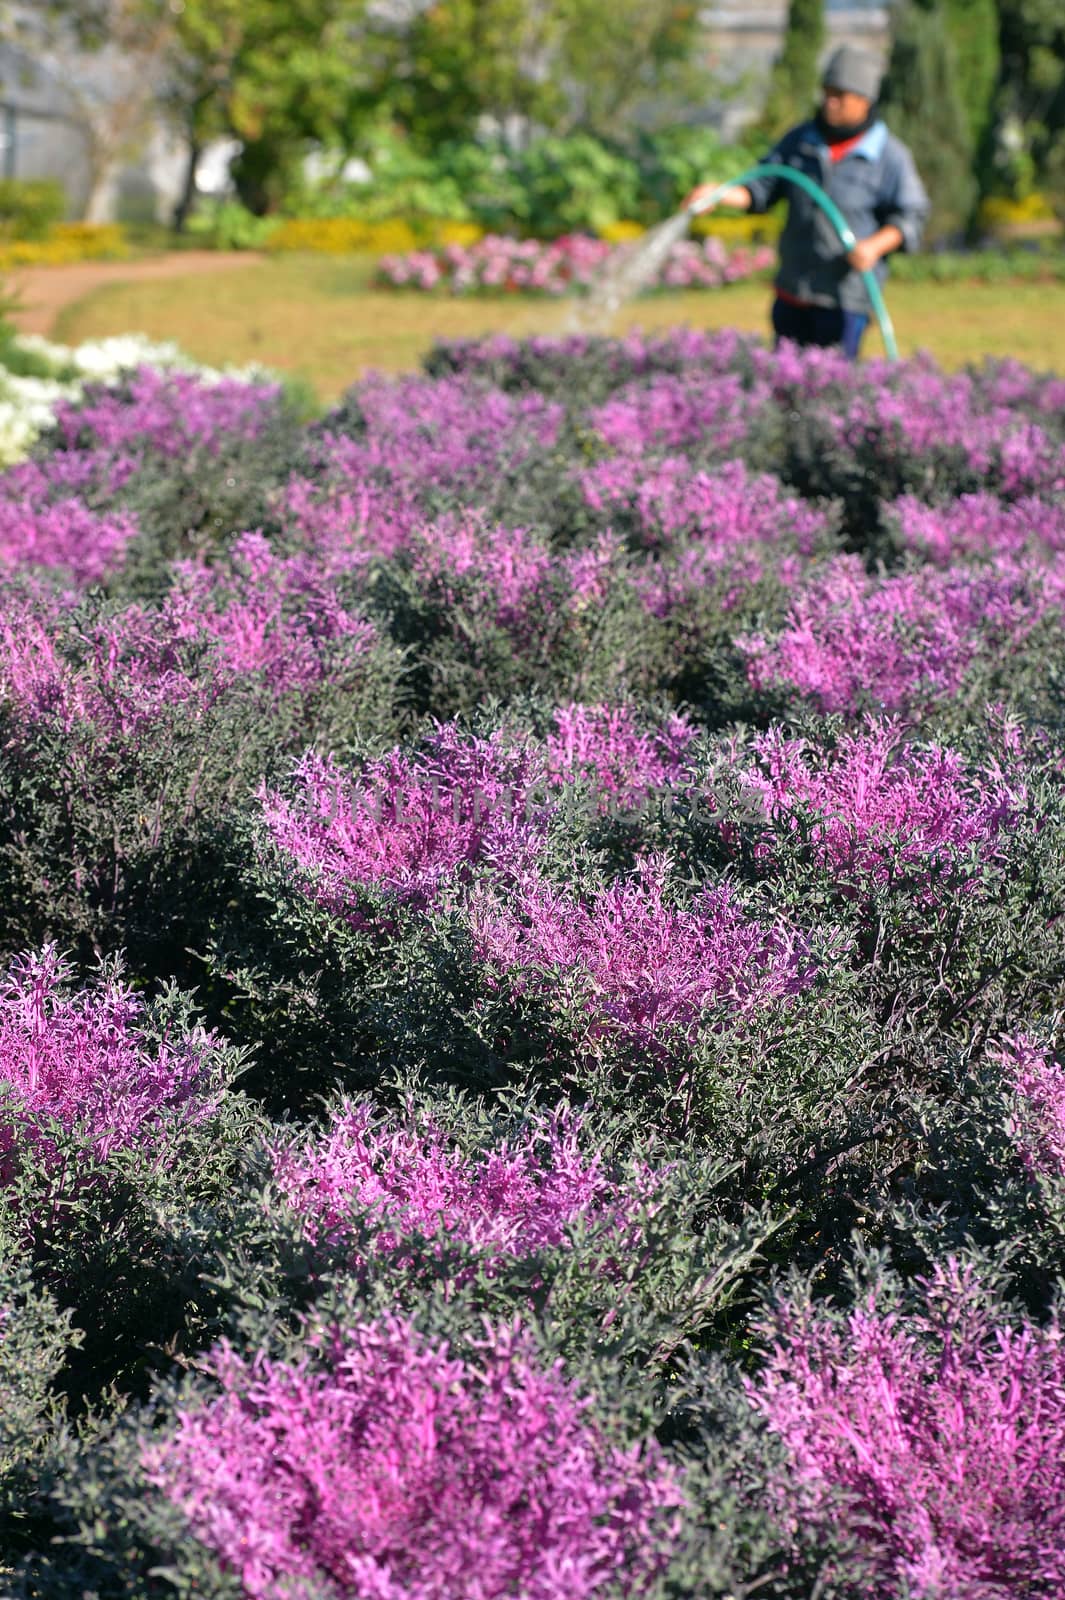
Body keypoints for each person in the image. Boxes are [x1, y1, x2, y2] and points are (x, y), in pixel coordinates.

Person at [686, 45, 930, 360]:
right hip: (793, 291)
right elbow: (762, 186)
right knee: (785, 382)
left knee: (830, 385)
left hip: (844, 298)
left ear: (864, 100)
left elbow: (912, 215)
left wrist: (874, 246)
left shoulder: (888, 157)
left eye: (839, 95)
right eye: (826, 92)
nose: (829, 102)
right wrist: (719, 194)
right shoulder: (801, 141)